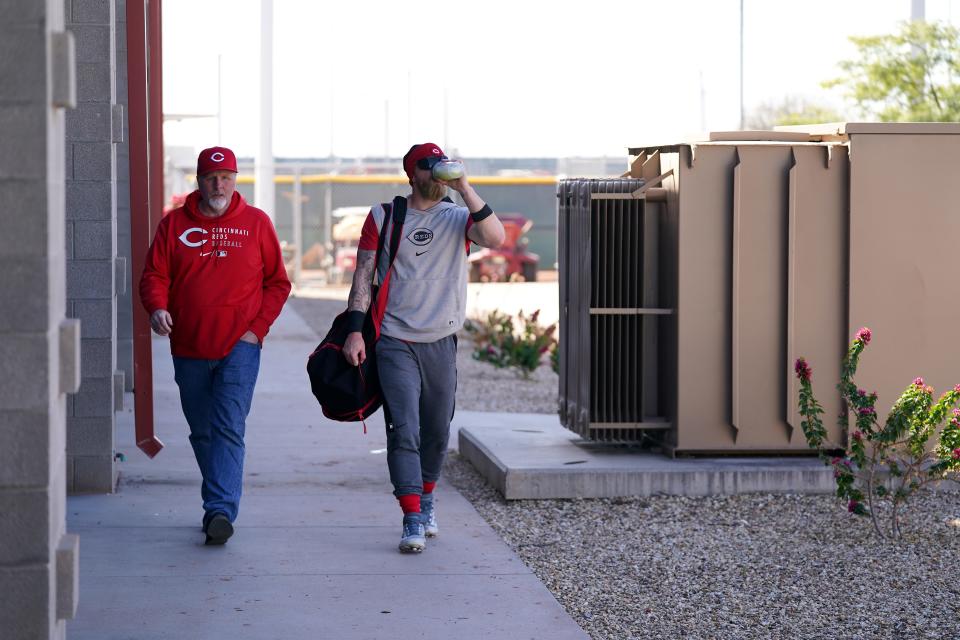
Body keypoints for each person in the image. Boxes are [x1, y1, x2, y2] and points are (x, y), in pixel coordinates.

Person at [343, 142, 505, 552]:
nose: (436, 177)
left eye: (441, 169)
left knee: (436, 431)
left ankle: (428, 498)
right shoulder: (383, 216)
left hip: (441, 340)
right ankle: (412, 517)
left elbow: (495, 238)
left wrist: (465, 186)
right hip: (396, 340)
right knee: (404, 430)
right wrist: (355, 330)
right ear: (411, 174)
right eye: (429, 169)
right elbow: (363, 275)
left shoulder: (457, 216)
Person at [139, 146, 291, 545]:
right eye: (211, 177)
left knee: (227, 426)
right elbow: (154, 276)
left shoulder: (256, 224)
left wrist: (256, 331)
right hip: (188, 346)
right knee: (202, 431)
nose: (218, 184)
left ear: (236, 179)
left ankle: (220, 510)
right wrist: (157, 309)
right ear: (199, 181)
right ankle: (219, 501)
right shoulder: (173, 226)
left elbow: (277, 282)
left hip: (239, 348)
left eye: (226, 177)